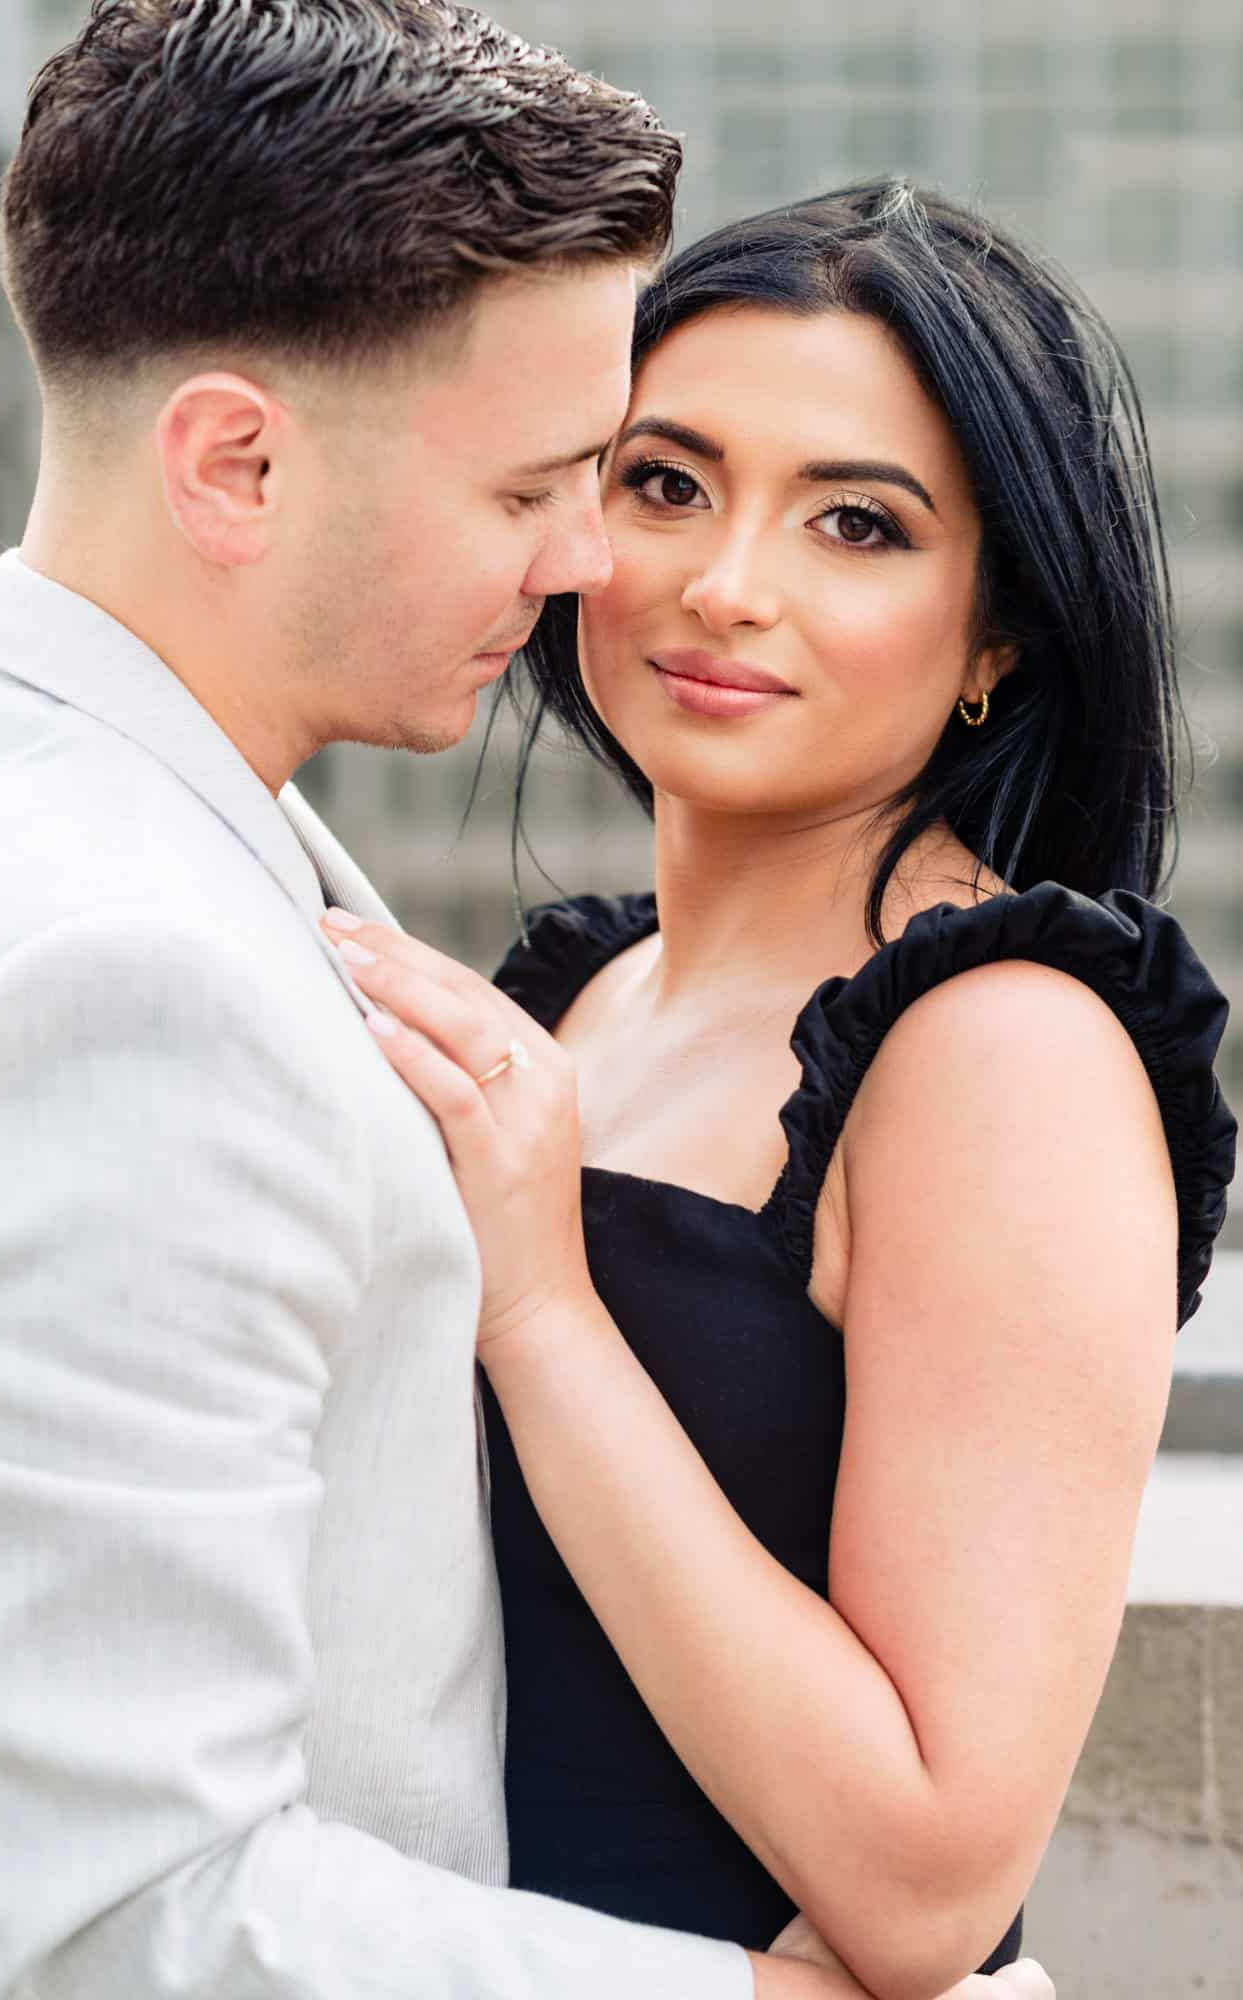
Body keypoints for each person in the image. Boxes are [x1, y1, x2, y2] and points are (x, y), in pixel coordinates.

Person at [0, 4, 1057, 1996]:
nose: (595, 560)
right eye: (551, 480)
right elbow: (104, 1912)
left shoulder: (19, 801)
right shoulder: (128, 971)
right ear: (236, 461)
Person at [323, 183, 1238, 2000]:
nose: (728, 583)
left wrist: (541, 1306)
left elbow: (920, 1885)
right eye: (665, 483)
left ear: (999, 640)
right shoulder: (570, 996)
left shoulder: (1001, 1049)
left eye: (857, 524)